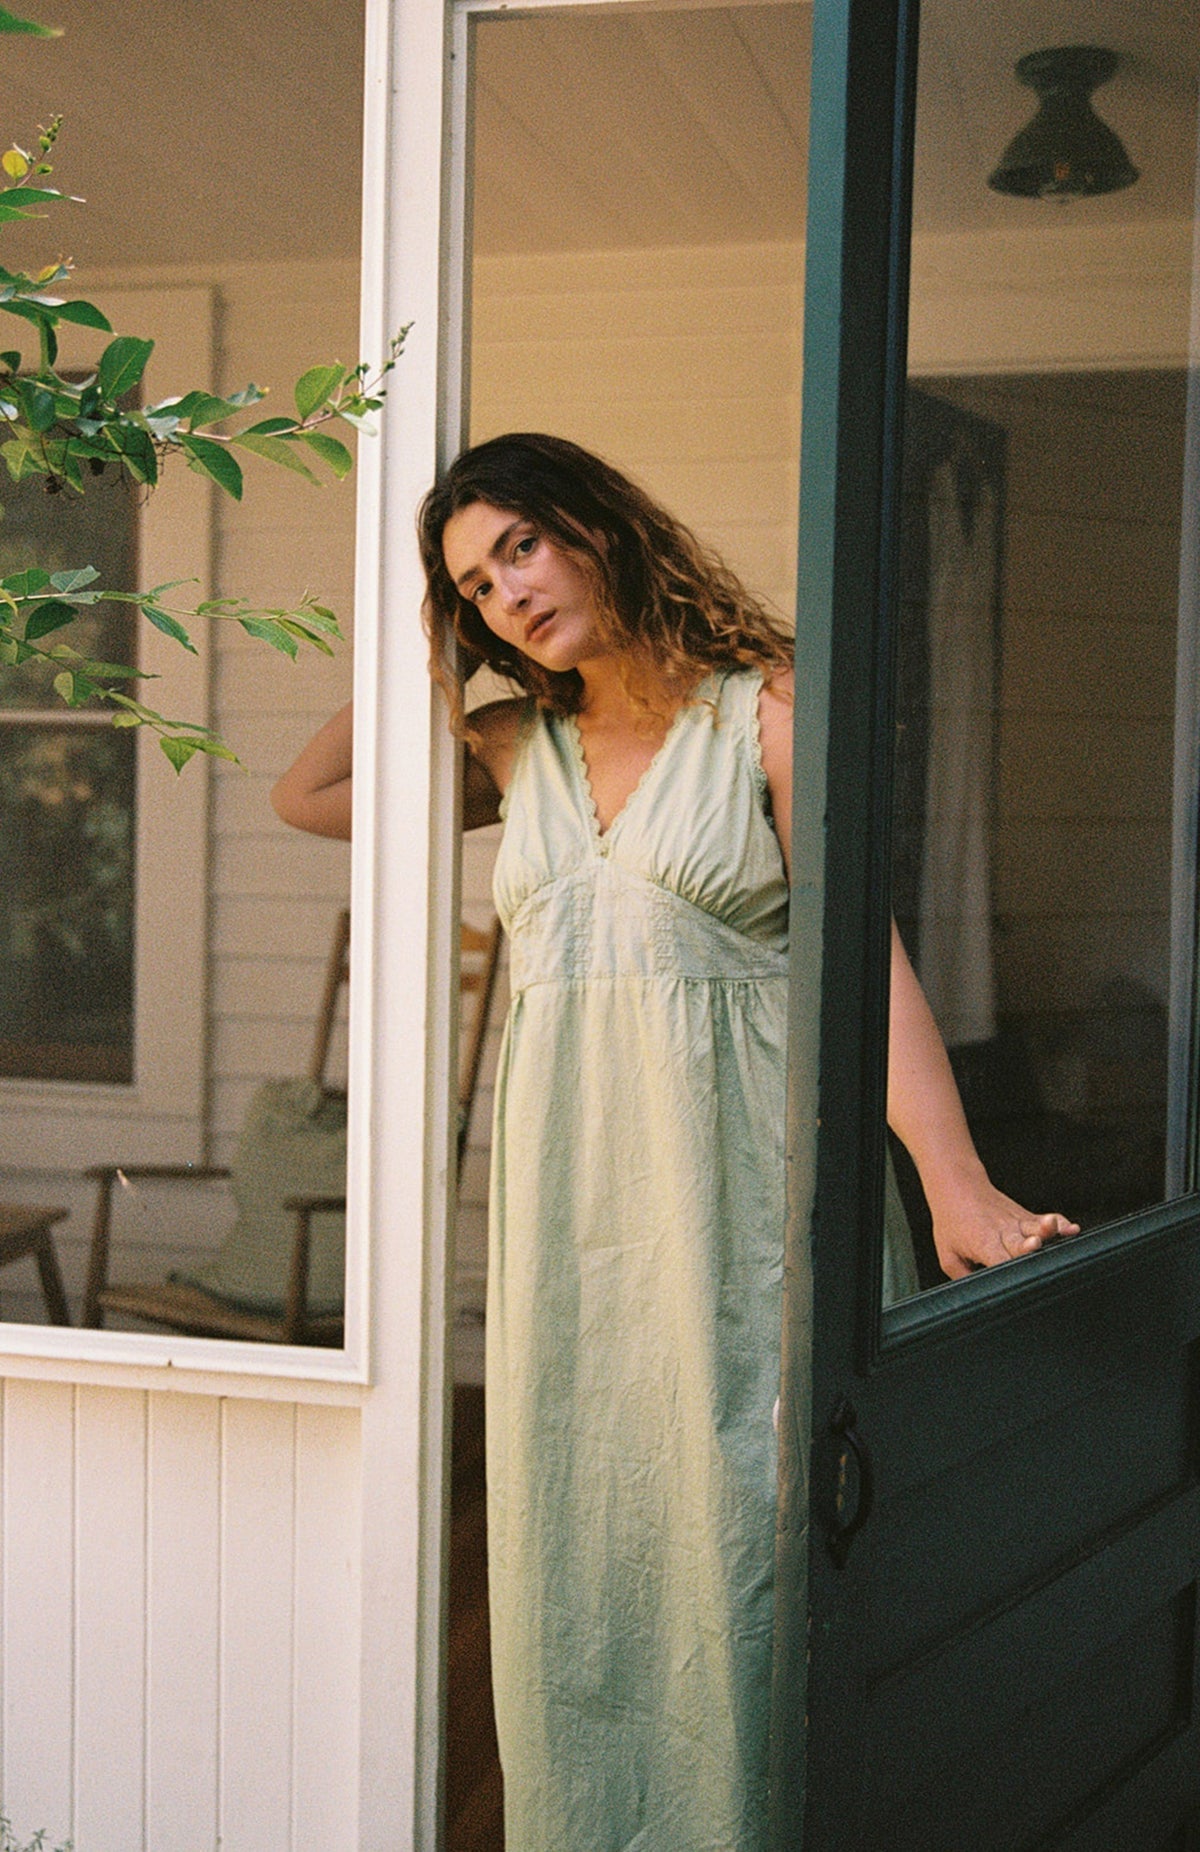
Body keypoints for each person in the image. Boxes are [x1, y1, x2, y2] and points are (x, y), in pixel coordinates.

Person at [272, 432, 1078, 1851]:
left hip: (738, 1195)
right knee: (588, 1544)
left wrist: (957, 1184)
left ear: (596, 527)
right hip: (572, 1222)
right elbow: (311, 796)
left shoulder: (761, 711)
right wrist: (427, 650)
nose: (507, 594)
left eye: (520, 545)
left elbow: (859, 963)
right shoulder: (514, 747)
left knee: (750, 1552)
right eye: (473, 586)